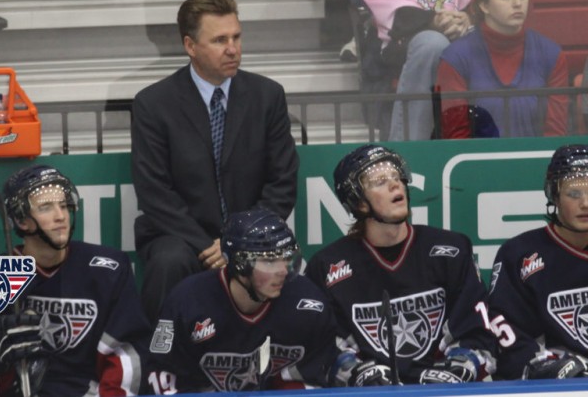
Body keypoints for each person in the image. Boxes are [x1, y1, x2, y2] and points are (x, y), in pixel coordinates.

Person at [131, 0, 299, 322]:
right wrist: (212, 246)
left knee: (280, 258)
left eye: (236, 37)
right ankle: (161, 361)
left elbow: (282, 179)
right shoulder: (153, 104)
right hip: (180, 235)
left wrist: (240, 241)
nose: (233, 49)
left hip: (253, 232)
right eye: (219, 40)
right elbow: (154, 192)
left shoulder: (268, 96)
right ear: (190, 46)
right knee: (169, 260)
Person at [306, 144, 498, 384]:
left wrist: (463, 365)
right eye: (379, 182)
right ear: (358, 202)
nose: (395, 184)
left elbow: (476, 329)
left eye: (397, 176)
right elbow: (322, 347)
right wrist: (354, 371)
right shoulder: (327, 267)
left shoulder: (452, 249)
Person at [0, 164, 150, 396]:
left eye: (63, 205)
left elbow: (125, 354)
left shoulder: (108, 270)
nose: (61, 216)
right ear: (22, 220)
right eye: (46, 208)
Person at [147, 208, 339, 393]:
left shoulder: (309, 305)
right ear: (239, 265)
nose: (282, 271)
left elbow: (312, 377)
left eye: (287, 258)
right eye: (270, 261)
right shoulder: (186, 303)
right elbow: (163, 376)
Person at [361, 0, 515, 141]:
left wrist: (471, 18)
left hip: (474, 24)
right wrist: (432, 21)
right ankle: (410, 153)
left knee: (482, 42)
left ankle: (490, 152)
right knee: (432, 44)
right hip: (412, 34)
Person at [437, 0, 570, 139]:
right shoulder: (455, 59)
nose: (517, 3)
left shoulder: (552, 56)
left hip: (537, 164)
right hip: (475, 164)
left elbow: (555, 137)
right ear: (484, 5)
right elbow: (457, 139)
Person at [487, 144, 588, 380]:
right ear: (554, 195)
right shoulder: (520, 254)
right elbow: (505, 330)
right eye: (574, 193)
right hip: (556, 387)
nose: (585, 202)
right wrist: (545, 366)